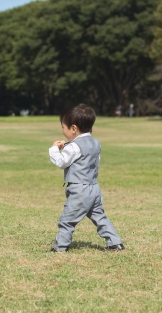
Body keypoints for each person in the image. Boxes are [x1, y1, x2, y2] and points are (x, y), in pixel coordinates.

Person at [48, 104, 124, 252]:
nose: (63, 131)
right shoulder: (96, 143)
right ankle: (115, 243)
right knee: (100, 217)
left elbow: (61, 162)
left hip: (79, 190)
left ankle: (60, 247)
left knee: (67, 220)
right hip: (94, 188)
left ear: (74, 128)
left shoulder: (74, 146)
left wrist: (54, 149)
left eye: (63, 127)